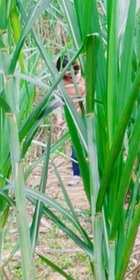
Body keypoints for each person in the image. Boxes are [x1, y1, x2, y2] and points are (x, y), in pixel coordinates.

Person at [54, 56, 85, 185]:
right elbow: (58, 101)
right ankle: (77, 175)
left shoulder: (84, 76)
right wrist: (59, 118)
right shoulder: (62, 83)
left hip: (88, 116)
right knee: (76, 146)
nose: (70, 74)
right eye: (66, 71)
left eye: (72, 69)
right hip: (74, 118)